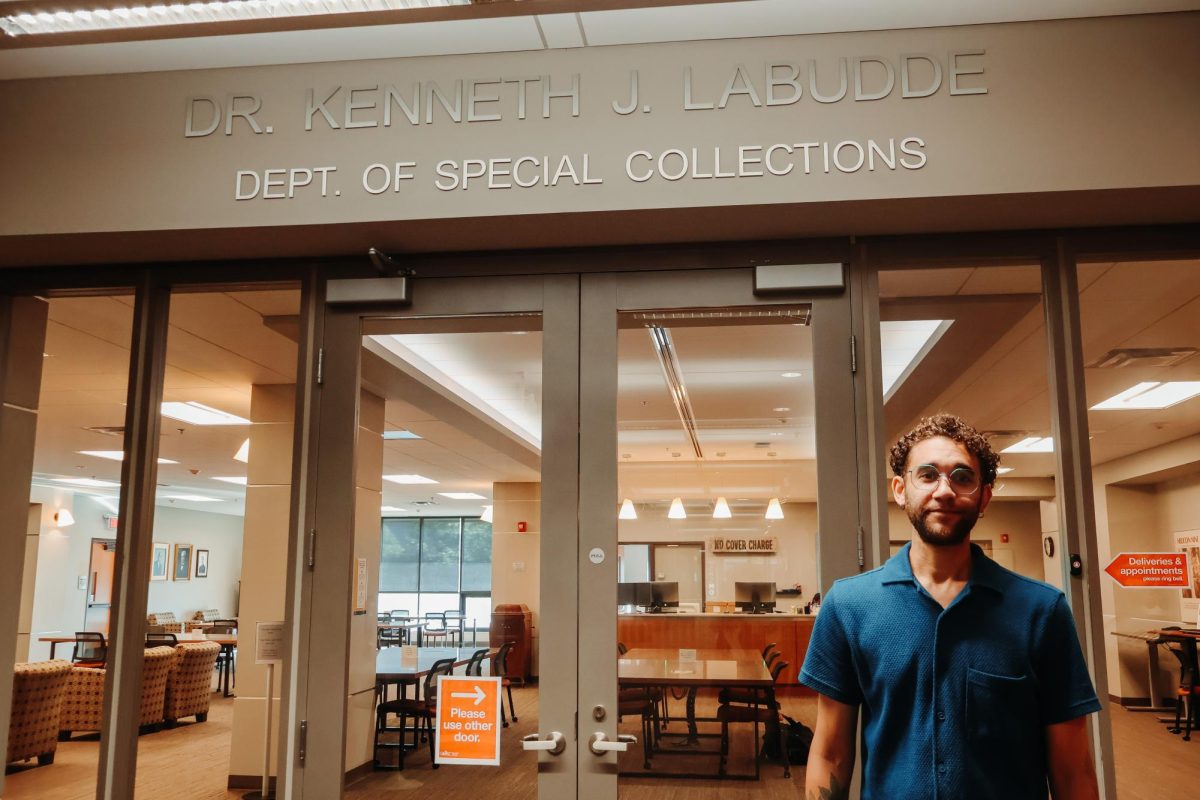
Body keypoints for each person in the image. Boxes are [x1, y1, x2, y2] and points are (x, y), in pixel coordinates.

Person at [799, 414, 1101, 800]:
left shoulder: (1041, 610)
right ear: (900, 489)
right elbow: (829, 755)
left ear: (984, 496)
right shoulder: (849, 605)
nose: (944, 491)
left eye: (962, 477)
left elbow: (1073, 768)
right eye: (927, 475)